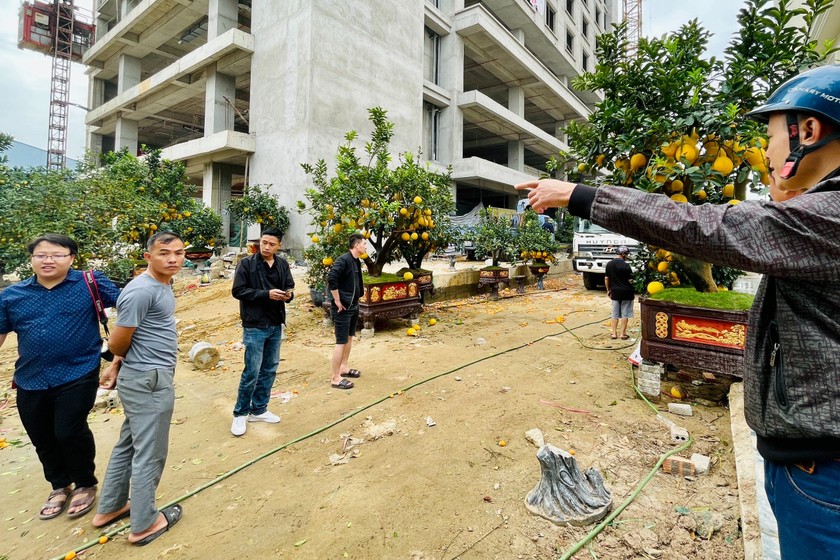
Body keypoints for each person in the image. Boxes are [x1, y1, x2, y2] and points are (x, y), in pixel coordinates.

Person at [515, 65, 840, 558]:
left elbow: (703, 226)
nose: (767, 152)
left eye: (771, 136)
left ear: (808, 133)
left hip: (824, 476)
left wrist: (578, 194)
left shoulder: (830, 216)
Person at [0, 234, 120, 521]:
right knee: (41, 435)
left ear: (71, 258)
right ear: (31, 259)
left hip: (79, 369)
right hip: (30, 376)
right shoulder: (12, 295)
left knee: (69, 430)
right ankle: (58, 486)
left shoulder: (90, 282)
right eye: (41, 255)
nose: (48, 260)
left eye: (56, 254)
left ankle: (84, 484)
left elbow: (130, 308)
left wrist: (119, 357)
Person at [91, 232, 186, 546]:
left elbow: (138, 335)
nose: (172, 259)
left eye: (178, 252)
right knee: (151, 452)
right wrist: (116, 359)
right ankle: (144, 523)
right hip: (151, 380)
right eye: (164, 253)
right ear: (148, 257)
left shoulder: (161, 285)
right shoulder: (141, 291)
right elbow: (118, 340)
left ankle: (111, 506)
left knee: (129, 443)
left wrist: (117, 366)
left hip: (140, 376)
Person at [230, 227, 294, 437]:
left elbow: (289, 287)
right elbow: (238, 291)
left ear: (279, 246)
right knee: (252, 371)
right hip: (254, 324)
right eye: (263, 242)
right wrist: (266, 294)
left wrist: (287, 296)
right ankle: (240, 413)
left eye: (271, 244)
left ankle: (259, 408)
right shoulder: (247, 264)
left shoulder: (282, 264)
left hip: (275, 323)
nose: (266, 247)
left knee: (270, 368)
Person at [327, 233, 366, 390]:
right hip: (342, 307)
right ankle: (335, 377)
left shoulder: (355, 260)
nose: (365, 246)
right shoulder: (343, 260)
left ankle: (344, 367)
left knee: (349, 338)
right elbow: (332, 278)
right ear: (356, 245)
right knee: (341, 341)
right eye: (364, 243)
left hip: (353, 305)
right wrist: (337, 300)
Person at [604, 245, 634, 340]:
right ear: (623, 254)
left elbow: (606, 278)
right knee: (625, 314)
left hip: (615, 292)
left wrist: (608, 290)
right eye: (627, 254)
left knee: (614, 314)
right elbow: (630, 280)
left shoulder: (609, 264)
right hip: (627, 292)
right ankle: (623, 334)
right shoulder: (626, 265)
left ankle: (614, 334)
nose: (627, 256)